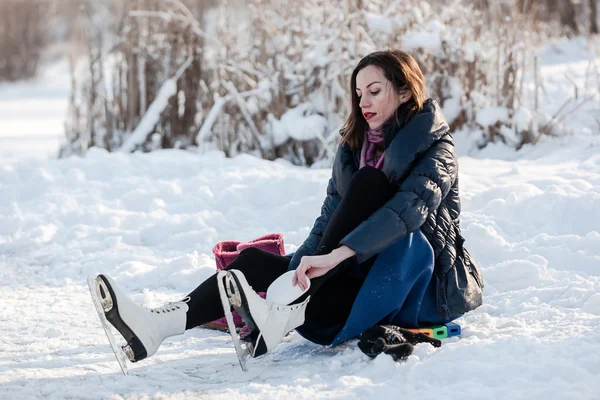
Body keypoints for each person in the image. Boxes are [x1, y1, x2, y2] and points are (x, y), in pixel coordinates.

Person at [90, 49, 484, 364]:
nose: (363, 101)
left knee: (375, 195)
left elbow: (405, 213)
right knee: (257, 263)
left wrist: (332, 258)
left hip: (417, 281)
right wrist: (305, 263)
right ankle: (157, 326)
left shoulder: (437, 148)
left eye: (375, 90)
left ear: (403, 91)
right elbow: (331, 217)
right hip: (348, 280)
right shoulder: (352, 149)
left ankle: (284, 307)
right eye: (358, 93)